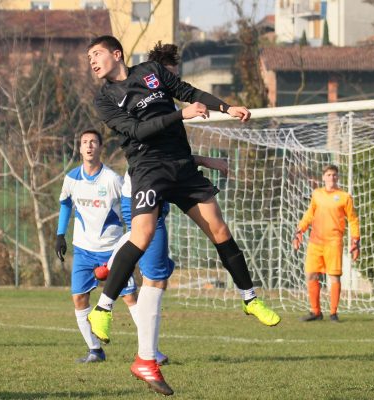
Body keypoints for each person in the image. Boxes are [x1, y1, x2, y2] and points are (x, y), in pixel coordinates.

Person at [85, 35, 281, 394]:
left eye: (96, 54)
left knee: (219, 230)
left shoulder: (153, 72)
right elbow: (138, 130)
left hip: (182, 166)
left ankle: (250, 299)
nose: (92, 61)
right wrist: (181, 115)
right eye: (89, 57)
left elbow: (190, 91)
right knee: (142, 237)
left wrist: (226, 108)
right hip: (149, 170)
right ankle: (104, 308)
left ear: (117, 53)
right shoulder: (105, 99)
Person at [56, 128, 149, 364]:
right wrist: (60, 235)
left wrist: (133, 235)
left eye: (93, 142)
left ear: (100, 148)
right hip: (83, 251)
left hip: (112, 249)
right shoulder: (71, 179)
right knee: (79, 298)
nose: (88, 146)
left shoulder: (112, 179)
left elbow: (129, 205)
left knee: (130, 298)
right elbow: (66, 204)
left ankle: (151, 351)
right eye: (84, 142)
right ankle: (95, 350)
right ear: (79, 148)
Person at [292, 164, 360, 322]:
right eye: (328, 175)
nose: (331, 178)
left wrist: (355, 241)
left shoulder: (344, 197)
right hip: (315, 242)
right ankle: (316, 312)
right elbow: (310, 214)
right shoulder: (317, 194)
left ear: (338, 178)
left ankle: (333, 313)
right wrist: (299, 230)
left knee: (334, 276)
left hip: (334, 242)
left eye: (334, 175)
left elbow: (353, 220)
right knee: (311, 274)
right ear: (323, 177)